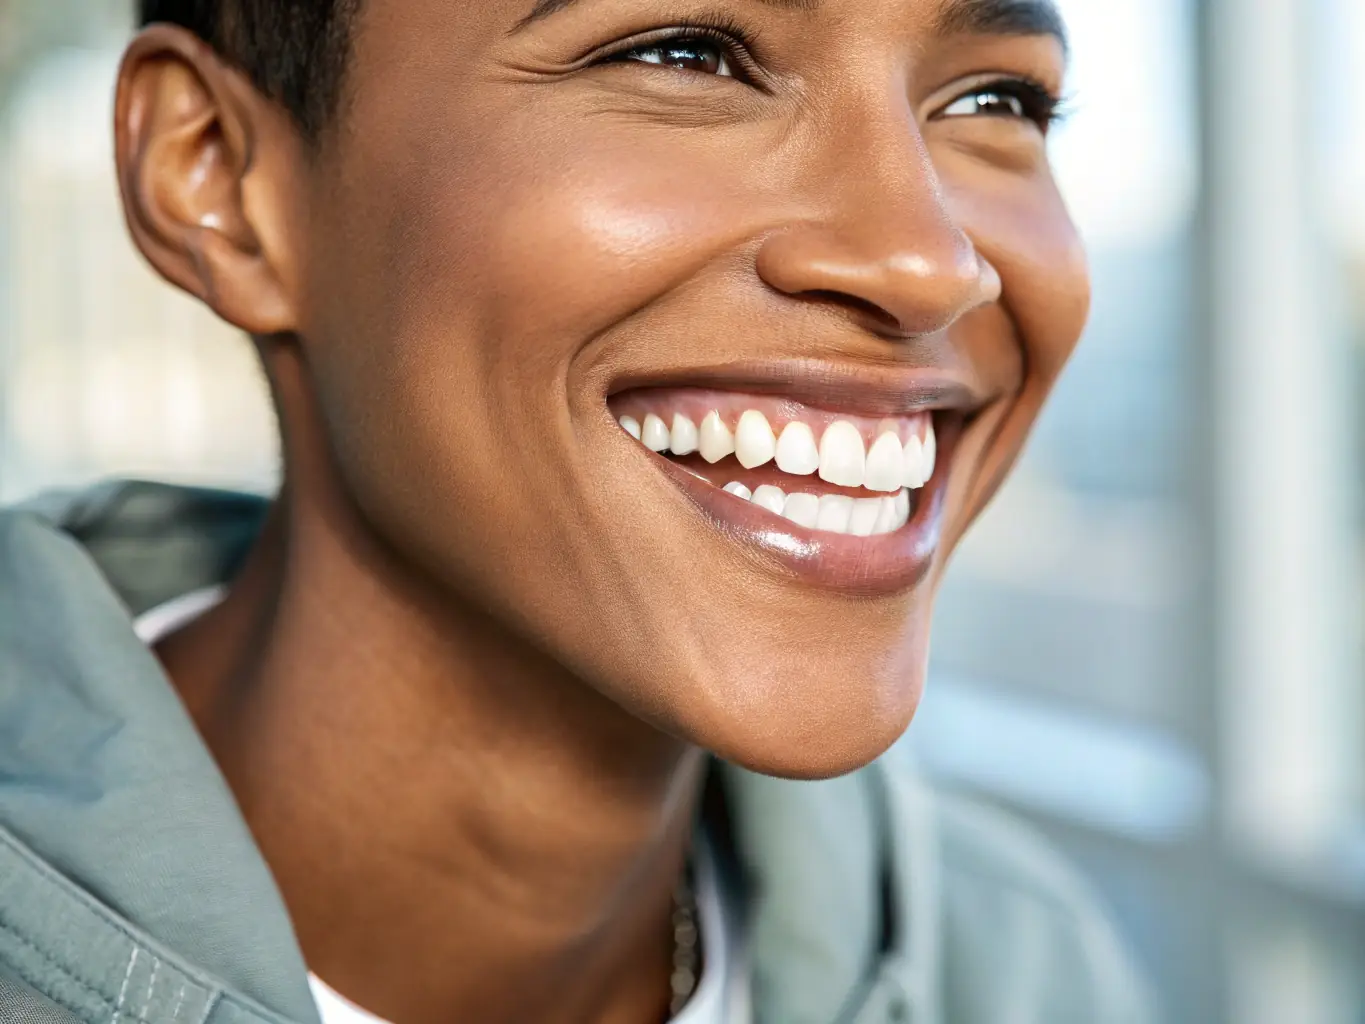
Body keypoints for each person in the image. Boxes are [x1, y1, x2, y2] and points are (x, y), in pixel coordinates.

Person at [0, 0, 1156, 1022]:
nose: (925, 263)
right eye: (686, 55)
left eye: (997, 98)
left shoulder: (1026, 971)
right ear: (218, 176)